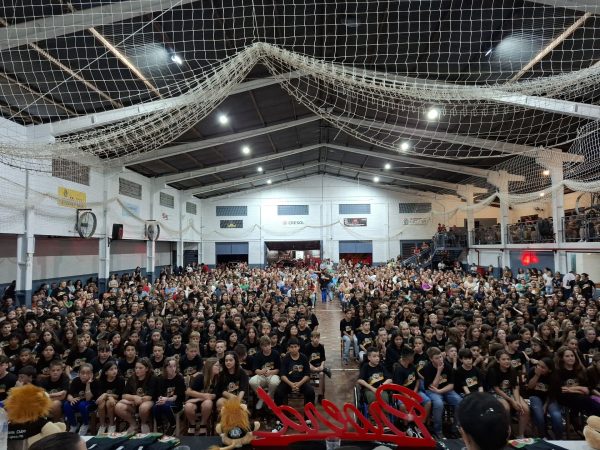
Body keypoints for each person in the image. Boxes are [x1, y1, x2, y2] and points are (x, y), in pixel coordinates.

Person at [422, 346, 462, 439]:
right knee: (439, 404)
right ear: (431, 359)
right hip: (432, 391)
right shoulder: (427, 368)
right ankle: (438, 431)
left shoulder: (447, 365)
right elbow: (433, 387)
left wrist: (440, 391)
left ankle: (455, 429)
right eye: (437, 358)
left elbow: (451, 385)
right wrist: (439, 371)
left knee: (459, 401)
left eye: (440, 357)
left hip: (445, 389)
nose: (440, 359)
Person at [115, 357, 158, 433]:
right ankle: (134, 424)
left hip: (149, 402)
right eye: (136, 368)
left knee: (143, 407)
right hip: (134, 403)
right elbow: (124, 395)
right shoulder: (132, 378)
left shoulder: (153, 378)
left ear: (147, 369)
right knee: (118, 407)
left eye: (140, 368)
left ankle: (143, 423)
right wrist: (134, 397)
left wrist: (136, 400)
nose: (137, 370)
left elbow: (149, 397)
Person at [527, 357, 563, 439]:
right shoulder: (533, 370)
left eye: (542, 367)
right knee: (539, 416)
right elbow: (530, 387)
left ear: (549, 370)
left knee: (556, 416)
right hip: (535, 396)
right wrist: (537, 375)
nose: (539, 368)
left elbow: (552, 394)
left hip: (549, 398)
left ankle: (559, 438)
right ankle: (543, 435)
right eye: (538, 365)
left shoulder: (554, 376)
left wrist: (545, 406)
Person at [275, 338, 315, 407]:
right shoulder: (285, 358)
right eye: (292, 347)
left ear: (299, 347)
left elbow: (307, 374)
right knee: (278, 393)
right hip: (288, 382)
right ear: (288, 348)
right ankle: (281, 415)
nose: (294, 349)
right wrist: (291, 384)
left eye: (295, 347)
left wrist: (299, 383)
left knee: (310, 392)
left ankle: (308, 416)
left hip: (301, 382)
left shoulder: (304, 358)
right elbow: (282, 375)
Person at [184, 357, 218, 436]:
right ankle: (192, 424)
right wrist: (203, 396)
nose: (219, 367)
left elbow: (214, 395)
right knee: (188, 406)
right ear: (210, 366)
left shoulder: (218, 379)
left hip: (205, 403)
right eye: (217, 365)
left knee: (208, 402)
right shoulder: (200, 377)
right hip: (194, 402)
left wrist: (198, 398)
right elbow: (188, 391)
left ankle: (203, 424)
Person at [152, 357, 186, 435]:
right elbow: (159, 394)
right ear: (165, 368)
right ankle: (160, 426)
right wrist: (161, 399)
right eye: (170, 366)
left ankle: (173, 425)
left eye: (174, 366)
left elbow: (175, 398)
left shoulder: (179, 378)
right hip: (163, 401)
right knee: (155, 406)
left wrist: (165, 399)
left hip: (176, 403)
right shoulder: (161, 378)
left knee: (165, 406)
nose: (173, 368)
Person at [249, 335, 280, 410]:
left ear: (270, 345)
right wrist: (261, 371)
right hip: (261, 375)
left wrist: (271, 372)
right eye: (265, 346)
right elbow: (255, 369)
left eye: (268, 345)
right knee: (252, 381)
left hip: (272, 375)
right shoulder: (258, 355)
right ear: (261, 347)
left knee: (274, 382)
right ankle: (263, 398)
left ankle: (270, 398)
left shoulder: (275, 353)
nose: (267, 347)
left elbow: (279, 369)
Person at [93, 361, 125, 434]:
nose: (114, 371)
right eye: (111, 369)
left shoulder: (120, 380)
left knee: (109, 403)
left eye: (115, 368)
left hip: (117, 401)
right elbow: (100, 396)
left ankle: (112, 425)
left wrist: (107, 395)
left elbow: (119, 395)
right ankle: (102, 425)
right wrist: (107, 396)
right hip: (104, 400)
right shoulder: (100, 381)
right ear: (106, 372)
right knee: (101, 403)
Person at [63, 363, 95, 435]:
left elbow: (88, 398)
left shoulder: (94, 382)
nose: (85, 375)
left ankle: (86, 424)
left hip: (90, 403)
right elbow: (69, 394)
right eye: (82, 373)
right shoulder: (75, 381)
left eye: (88, 373)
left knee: (82, 405)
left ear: (91, 374)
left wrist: (88, 384)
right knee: (66, 405)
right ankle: (74, 425)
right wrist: (71, 399)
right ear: (78, 373)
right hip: (78, 402)